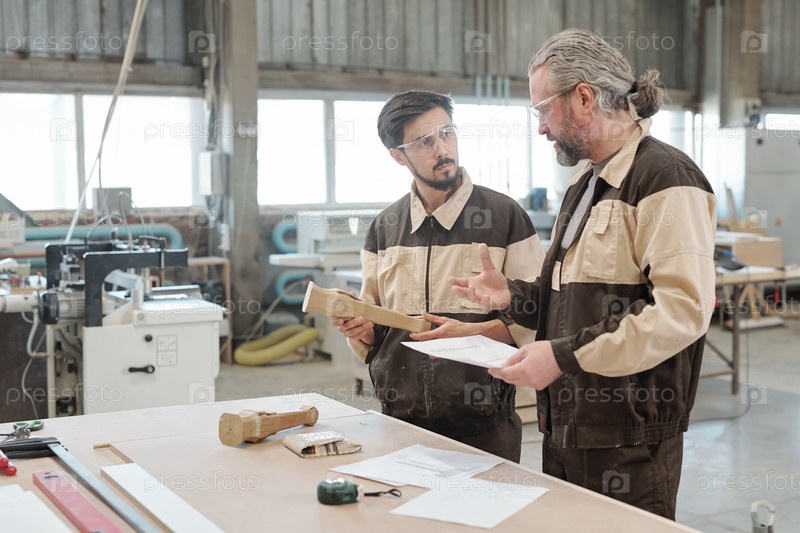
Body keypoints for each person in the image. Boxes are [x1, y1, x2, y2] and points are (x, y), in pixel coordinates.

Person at [451, 29, 717, 519]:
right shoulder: (584, 184)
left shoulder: (664, 177)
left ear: (584, 98)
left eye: (542, 110)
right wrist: (511, 296)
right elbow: (571, 302)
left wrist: (562, 357)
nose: (540, 128)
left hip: (629, 441)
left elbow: (682, 311)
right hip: (567, 426)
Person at [334, 90, 545, 462]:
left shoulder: (504, 216)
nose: (442, 149)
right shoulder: (384, 227)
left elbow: (540, 317)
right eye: (424, 142)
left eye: (447, 133)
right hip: (399, 422)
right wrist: (361, 329)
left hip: (484, 427)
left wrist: (476, 333)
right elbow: (375, 327)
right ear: (398, 156)